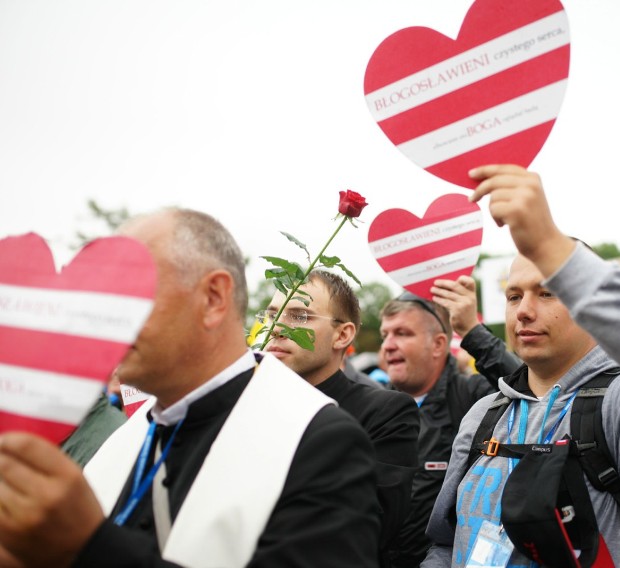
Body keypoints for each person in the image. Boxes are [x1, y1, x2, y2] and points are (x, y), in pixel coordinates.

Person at [0, 208, 381, 567]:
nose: (105, 319)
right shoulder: (123, 439)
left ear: (213, 298)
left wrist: (89, 546)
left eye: (127, 292)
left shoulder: (321, 443)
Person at [422, 165, 620, 567]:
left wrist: (548, 243)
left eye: (548, 292)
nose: (524, 311)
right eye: (513, 297)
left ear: (586, 303)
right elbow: (445, 543)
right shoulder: (483, 415)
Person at [260, 269, 419, 567]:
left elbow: (371, 528)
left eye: (299, 316)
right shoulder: (246, 409)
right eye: (271, 315)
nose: (276, 328)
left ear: (342, 334)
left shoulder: (385, 412)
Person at [378, 290, 494, 567]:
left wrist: (474, 334)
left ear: (439, 344)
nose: (388, 345)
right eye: (385, 335)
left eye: (403, 333)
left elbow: (533, 388)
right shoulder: (374, 405)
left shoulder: (473, 397)